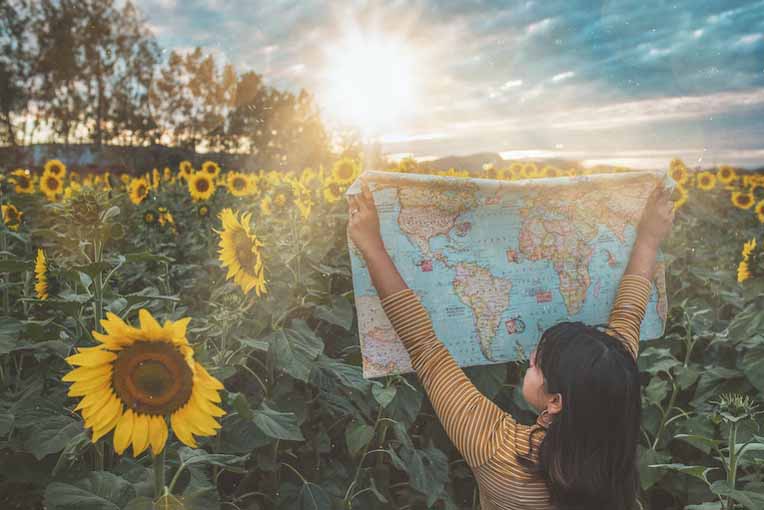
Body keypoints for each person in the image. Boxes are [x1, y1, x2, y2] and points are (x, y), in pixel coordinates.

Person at [346, 179, 675, 510]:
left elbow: (425, 349)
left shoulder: (499, 452)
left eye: (537, 363)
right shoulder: (611, 430)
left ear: (556, 401)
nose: (530, 357)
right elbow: (628, 317)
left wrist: (371, 245)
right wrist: (648, 239)